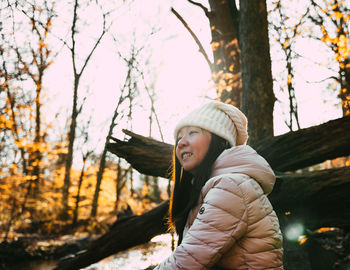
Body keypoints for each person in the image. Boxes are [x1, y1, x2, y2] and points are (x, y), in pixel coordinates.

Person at [154, 101, 283, 270]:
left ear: (220, 141)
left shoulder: (231, 187)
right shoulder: (214, 186)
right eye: (179, 137)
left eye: (192, 132)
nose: (181, 143)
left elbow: (187, 261)